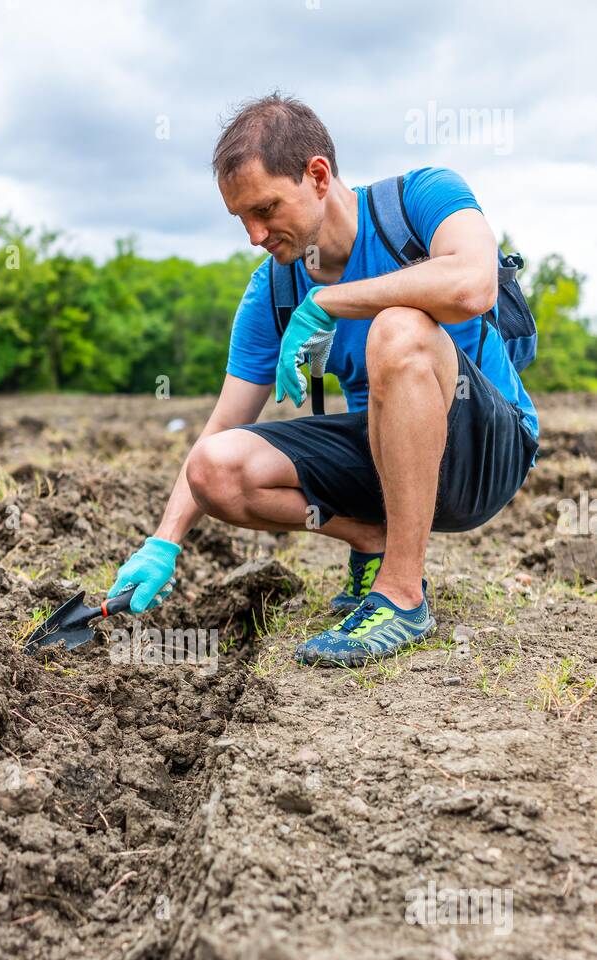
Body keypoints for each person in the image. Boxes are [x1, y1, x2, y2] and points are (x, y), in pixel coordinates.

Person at [108, 93, 539, 667]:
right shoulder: (274, 290)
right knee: (214, 465)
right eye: (241, 219)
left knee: (399, 329)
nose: (255, 237)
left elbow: (471, 285)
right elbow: (222, 426)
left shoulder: (421, 199)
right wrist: (163, 540)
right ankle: (371, 539)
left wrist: (335, 302)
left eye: (264, 210)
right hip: (387, 459)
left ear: (317, 175)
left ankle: (402, 596)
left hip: (484, 453)